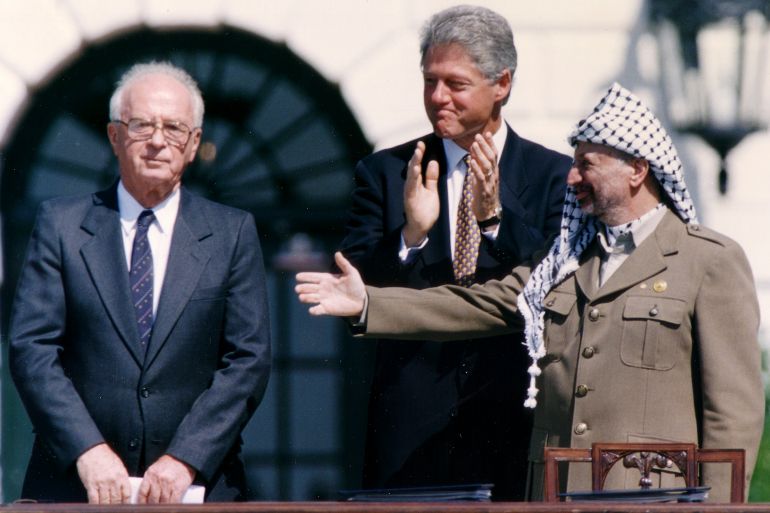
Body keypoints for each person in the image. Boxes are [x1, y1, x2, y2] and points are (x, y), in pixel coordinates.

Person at [297, 83, 764, 501]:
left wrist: (718, 507)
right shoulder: (564, 259)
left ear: (637, 170)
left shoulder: (708, 261)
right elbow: (478, 304)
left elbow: (732, 415)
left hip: (652, 499)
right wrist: (369, 304)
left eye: (587, 164)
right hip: (554, 494)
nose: (571, 177)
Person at [9, 62, 271, 504]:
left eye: (173, 128)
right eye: (141, 125)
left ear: (192, 145)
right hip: (75, 486)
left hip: (196, 488)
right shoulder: (61, 226)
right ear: (114, 136)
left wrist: (185, 458)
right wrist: (87, 450)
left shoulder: (232, 233)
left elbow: (248, 359)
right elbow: (32, 348)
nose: (156, 141)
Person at [338, 5, 570, 499]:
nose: (437, 97)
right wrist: (411, 237)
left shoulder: (555, 177)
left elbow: (554, 286)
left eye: (456, 84)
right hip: (410, 427)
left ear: (501, 84)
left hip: (513, 418)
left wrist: (495, 223)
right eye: (429, 81)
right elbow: (352, 293)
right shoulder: (385, 172)